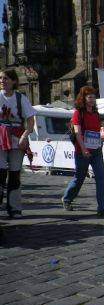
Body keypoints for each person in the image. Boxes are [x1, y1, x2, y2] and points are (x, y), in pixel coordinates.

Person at [61, 86, 104, 218]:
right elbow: (78, 132)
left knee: (101, 178)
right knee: (79, 178)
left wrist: (100, 143)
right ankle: (67, 198)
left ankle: (103, 209)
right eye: (89, 97)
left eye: (94, 97)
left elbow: (97, 131)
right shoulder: (78, 113)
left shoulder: (96, 113)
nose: (92, 99)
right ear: (83, 98)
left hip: (96, 151)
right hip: (82, 151)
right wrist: (83, 149)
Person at [0, 69, 36, 218]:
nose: (2, 81)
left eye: (6, 78)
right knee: (0, 173)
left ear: (14, 81)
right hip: (1, 139)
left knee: (14, 174)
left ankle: (14, 207)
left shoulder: (21, 98)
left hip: (16, 138)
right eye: (1, 78)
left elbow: (30, 121)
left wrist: (24, 137)